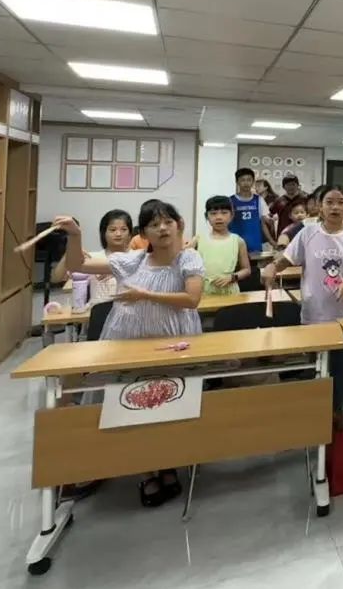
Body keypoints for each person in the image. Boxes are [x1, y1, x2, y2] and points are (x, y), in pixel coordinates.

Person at [54, 201, 205, 507]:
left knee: (167, 404)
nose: (162, 228)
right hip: (126, 342)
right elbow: (77, 265)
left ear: (179, 224)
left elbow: (192, 299)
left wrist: (143, 294)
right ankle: (144, 470)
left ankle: (167, 463)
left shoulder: (188, 258)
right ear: (144, 233)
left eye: (167, 222)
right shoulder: (133, 260)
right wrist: (75, 235)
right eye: (153, 225)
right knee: (127, 405)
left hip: (172, 343)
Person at [262, 185, 343, 419]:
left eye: (341, 202)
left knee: (339, 373)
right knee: (316, 370)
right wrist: (272, 267)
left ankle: (338, 420)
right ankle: (315, 419)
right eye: (329, 202)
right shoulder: (307, 233)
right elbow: (286, 259)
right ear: (319, 207)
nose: (335, 207)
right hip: (313, 313)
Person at [193, 196, 251, 296]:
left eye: (224, 213)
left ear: (231, 215)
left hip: (229, 292)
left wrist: (232, 277)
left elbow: (246, 270)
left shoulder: (238, 241)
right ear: (207, 216)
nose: (219, 217)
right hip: (204, 292)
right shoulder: (198, 239)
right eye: (213, 213)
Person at [230, 168, 274, 253]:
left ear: (253, 182)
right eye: (243, 180)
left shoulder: (259, 200)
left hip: (255, 244)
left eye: (249, 180)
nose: (246, 183)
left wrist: (271, 241)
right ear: (237, 182)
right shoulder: (230, 201)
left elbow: (263, 224)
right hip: (235, 245)